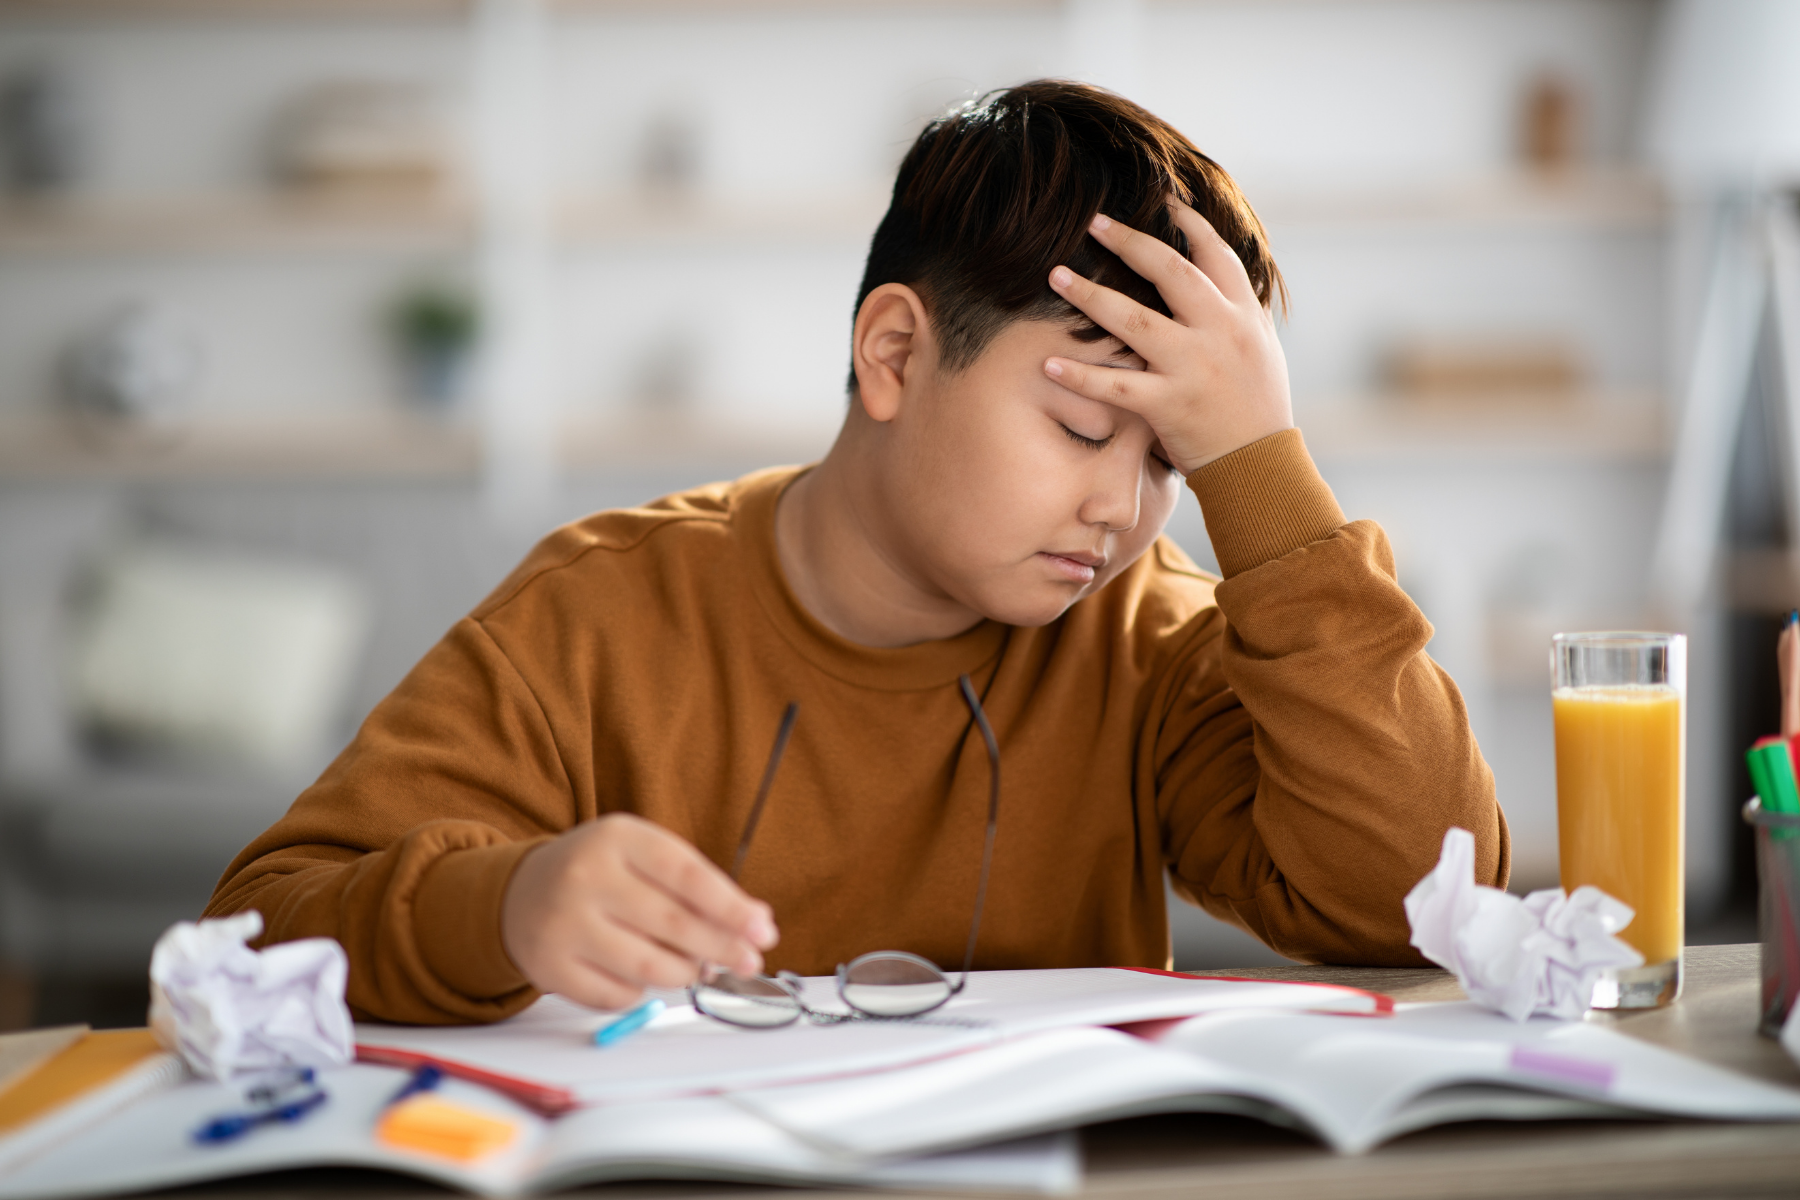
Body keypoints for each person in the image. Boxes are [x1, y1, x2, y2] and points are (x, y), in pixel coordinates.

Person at [206, 80, 1507, 1025]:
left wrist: (1261, 474)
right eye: (1079, 426)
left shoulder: (1145, 635)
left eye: (1172, 460)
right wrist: (502, 906)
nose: (1122, 508)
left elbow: (1417, 908)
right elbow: (248, 934)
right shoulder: (597, 614)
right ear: (894, 354)